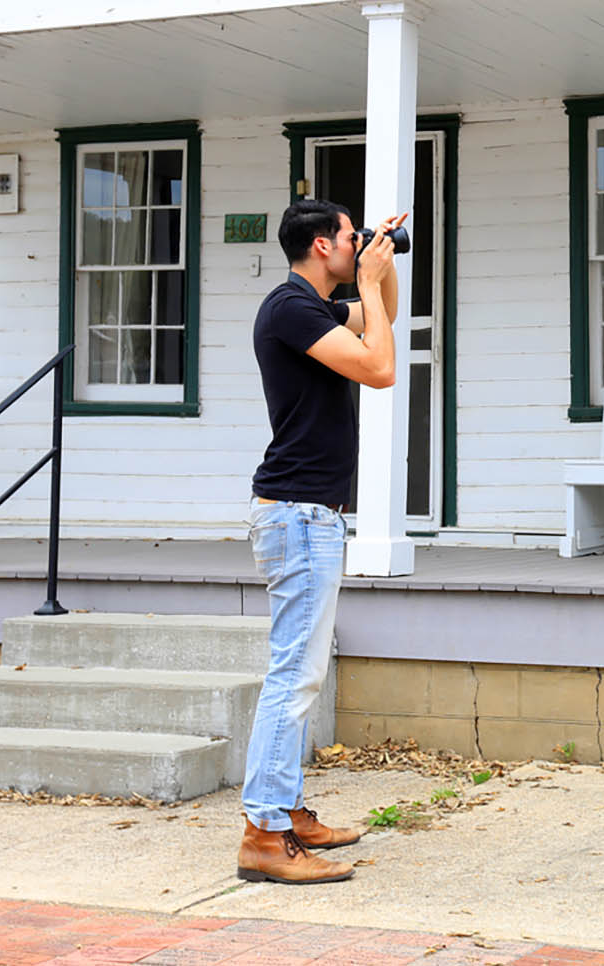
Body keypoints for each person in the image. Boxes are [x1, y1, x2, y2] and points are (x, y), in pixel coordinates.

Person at [236, 197, 405, 885]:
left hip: (309, 515)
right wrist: (367, 277)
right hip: (298, 516)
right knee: (294, 676)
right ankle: (264, 834)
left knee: (301, 675)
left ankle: (286, 811)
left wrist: (380, 267)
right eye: (348, 236)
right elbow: (380, 368)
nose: (356, 242)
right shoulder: (290, 308)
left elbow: (384, 318)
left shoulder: (316, 307)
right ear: (320, 247)